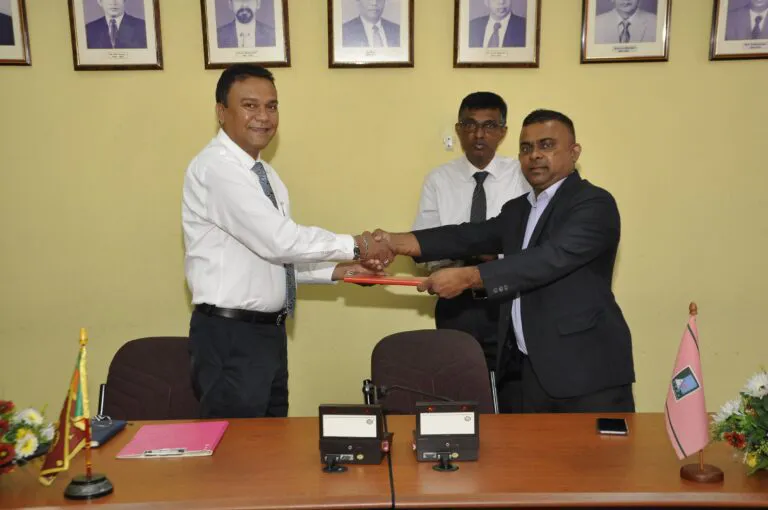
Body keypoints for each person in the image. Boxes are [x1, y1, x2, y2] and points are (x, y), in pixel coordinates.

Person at [375, 109, 635, 414]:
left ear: (574, 152)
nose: (534, 155)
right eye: (526, 148)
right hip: (527, 373)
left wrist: (470, 277)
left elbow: (548, 259)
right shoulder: (518, 210)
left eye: (547, 145)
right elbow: (467, 236)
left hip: (585, 373)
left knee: (594, 449)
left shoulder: (593, 203)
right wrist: (394, 242)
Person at [182, 64, 393, 419]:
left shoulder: (264, 174)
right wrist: (359, 244)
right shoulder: (217, 168)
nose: (263, 117)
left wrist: (340, 270)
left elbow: (274, 257)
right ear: (221, 112)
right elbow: (279, 241)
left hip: (266, 334)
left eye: (272, 106)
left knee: (272, 443)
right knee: (240, 447)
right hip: (232, 336)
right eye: (250, 106)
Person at [412, 92, 529, 371]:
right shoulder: (439, 180)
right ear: (458, 129)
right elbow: (425, 250)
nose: (478, 134)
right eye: (470, 125)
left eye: (489, 126)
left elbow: (532, 244)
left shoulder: (522, 176)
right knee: (458, 381)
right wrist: (465, 259)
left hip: (510, 299)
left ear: (503, 132)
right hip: (456, 303)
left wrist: (495, 257)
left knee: (512, 383)